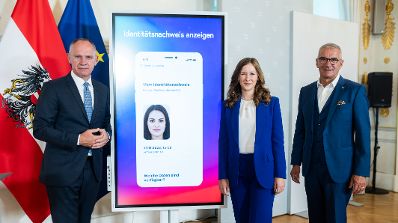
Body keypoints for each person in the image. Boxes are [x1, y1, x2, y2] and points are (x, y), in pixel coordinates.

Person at [290, 43, 370, 223]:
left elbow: (363, 134)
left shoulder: (354, 91)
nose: (329, 63)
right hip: (312, 167)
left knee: (335, 218)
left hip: (340, 169)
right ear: (317, 62)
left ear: (341, 63)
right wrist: (296, 161)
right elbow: (300, 129)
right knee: (315, 217)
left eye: (334, 59)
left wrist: (361, 172)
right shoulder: (306, 91)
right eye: (324, 59)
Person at [33, 38, 111, 223]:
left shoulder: (103, 90)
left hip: (93, 171)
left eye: (88, 57)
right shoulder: (53, 88)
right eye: (78, 56)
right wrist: (78, 139)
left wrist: (107, 135)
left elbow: (107, 122)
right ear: (69, 58)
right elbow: (40, 129)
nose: (83, 62)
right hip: (62, 170)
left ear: (96, 60)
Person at [218, 57, 286, 223]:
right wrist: (223, 175)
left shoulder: (271, 104)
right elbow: (223, 143)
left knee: (260, 219)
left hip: (263, 170)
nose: (247, 78)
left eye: (251, 73)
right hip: (237, 170)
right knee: (242, 219)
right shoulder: (228, 106)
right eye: (243, 73)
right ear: (238, 77)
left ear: (258, 77)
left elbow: (278, 142)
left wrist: (280, 174)